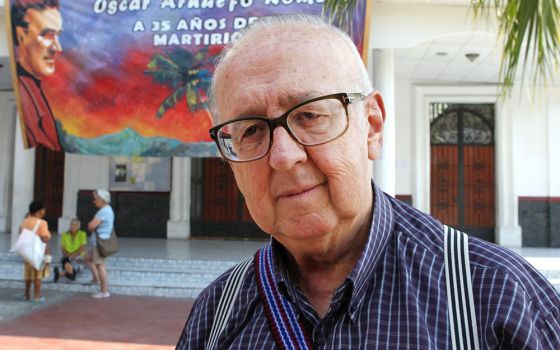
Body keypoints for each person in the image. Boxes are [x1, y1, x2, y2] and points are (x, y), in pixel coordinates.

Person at [177, 14, 560, 349]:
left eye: (310, 115)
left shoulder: (495, 297)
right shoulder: (217, 314)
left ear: (372, 127)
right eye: (250, 131)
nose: (283, 156)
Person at [11, 0, 63, 150]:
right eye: (47, 35)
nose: (57, 48)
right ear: (21, 35)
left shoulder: (37, 90)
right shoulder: (25, 92)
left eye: (57, 35)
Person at [18, 200, 51, 303]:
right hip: (38, 253)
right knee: (38, 275)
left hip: (27, 252)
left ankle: (26, 294)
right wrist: (47, 254)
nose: (44, 211)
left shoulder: (25, 221)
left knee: (28, 274)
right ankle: (37, 296)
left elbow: (20, 235)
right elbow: (44, 239)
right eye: (44, 209)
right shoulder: (42, 223)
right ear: (40, 211)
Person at [85, 189, 113, 299]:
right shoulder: (107, 209)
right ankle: (95, 278)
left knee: (100, 265)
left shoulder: (103, 211)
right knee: (87, 257)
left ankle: (104, 291)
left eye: (96, 199)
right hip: (99, 241)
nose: (94, 201)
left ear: (102, 199)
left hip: (100, 242)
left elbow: (92, 226)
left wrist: (90, 225)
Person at [53, 218, 86, 282]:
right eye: (72, 224)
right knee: (66, 262)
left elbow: (82, 248)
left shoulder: (82, 234)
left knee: (76, 266)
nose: (73, 226)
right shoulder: (65, 234)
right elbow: (63, 248)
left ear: (78, 226)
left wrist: (75, 255)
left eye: (75, 225)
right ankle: (71, 275)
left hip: (78, 257)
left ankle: (59, 274)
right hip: (67, 256)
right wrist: (70, 256)